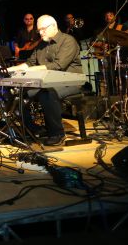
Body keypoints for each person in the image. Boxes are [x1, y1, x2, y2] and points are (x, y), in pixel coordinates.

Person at [8, 15, 82, 146]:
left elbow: (58, 66)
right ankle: (32, 128)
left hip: (70, 82)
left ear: (54, 26)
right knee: (16, 91)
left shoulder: (68, 40)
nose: (40, 33)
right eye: (39, 30)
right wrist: (10, 70)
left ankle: (57, 133)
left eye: (43, 29)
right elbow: (29, 63)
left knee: (47, 92)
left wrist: (32, 70)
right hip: (47, 81)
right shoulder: (41, 44)